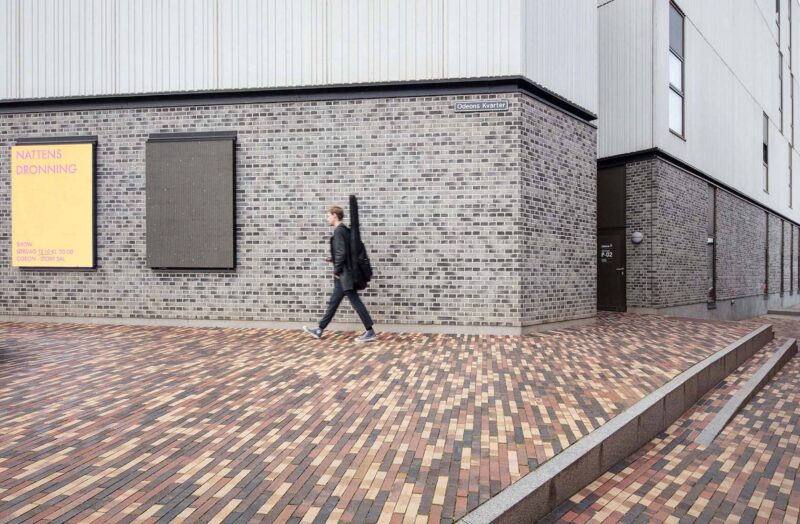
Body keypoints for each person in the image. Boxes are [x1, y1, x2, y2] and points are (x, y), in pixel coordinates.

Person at [303, 205, 376, 342]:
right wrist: (334, 259)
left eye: (328, 215)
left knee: (356, 303)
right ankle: (319, 329)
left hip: (344, 276)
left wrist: (337, 270)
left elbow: (342, 253)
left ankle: (370, 331)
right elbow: (346, 253)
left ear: (335, 215)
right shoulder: (346, 231)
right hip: (345, 275)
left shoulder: (339, 231)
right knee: (334, 303)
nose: (327, 218)